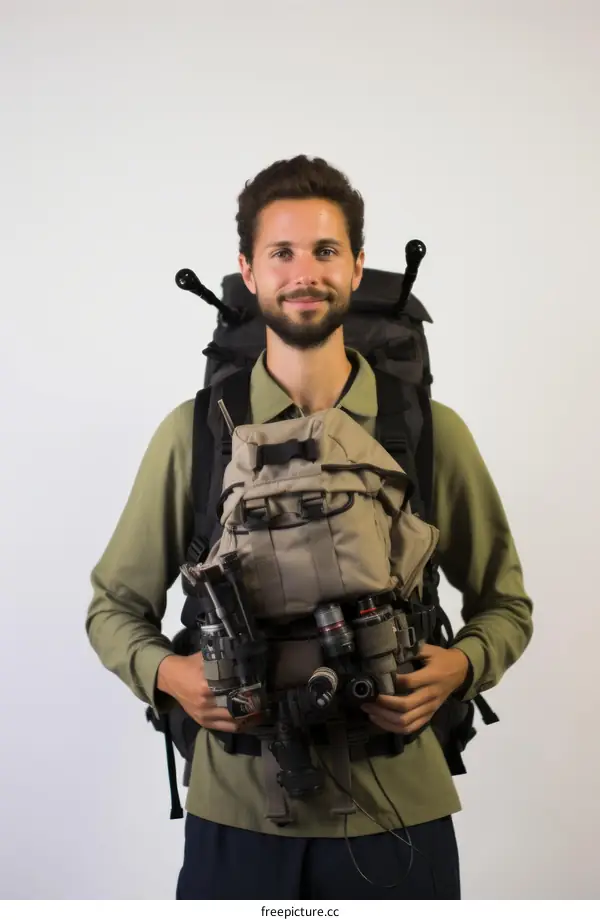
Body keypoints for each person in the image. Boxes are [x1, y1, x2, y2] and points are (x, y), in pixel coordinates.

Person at [86, 155, 533, 900]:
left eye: (327, 251)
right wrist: (170, 676)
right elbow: (112, 608)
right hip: (238, 810)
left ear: (357, 267)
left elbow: (507, 606)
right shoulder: (196, 436)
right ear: (248, 271)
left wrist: (460, 668)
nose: (305, 272)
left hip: (400, 809)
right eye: (282, 252)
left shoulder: (426, 434)